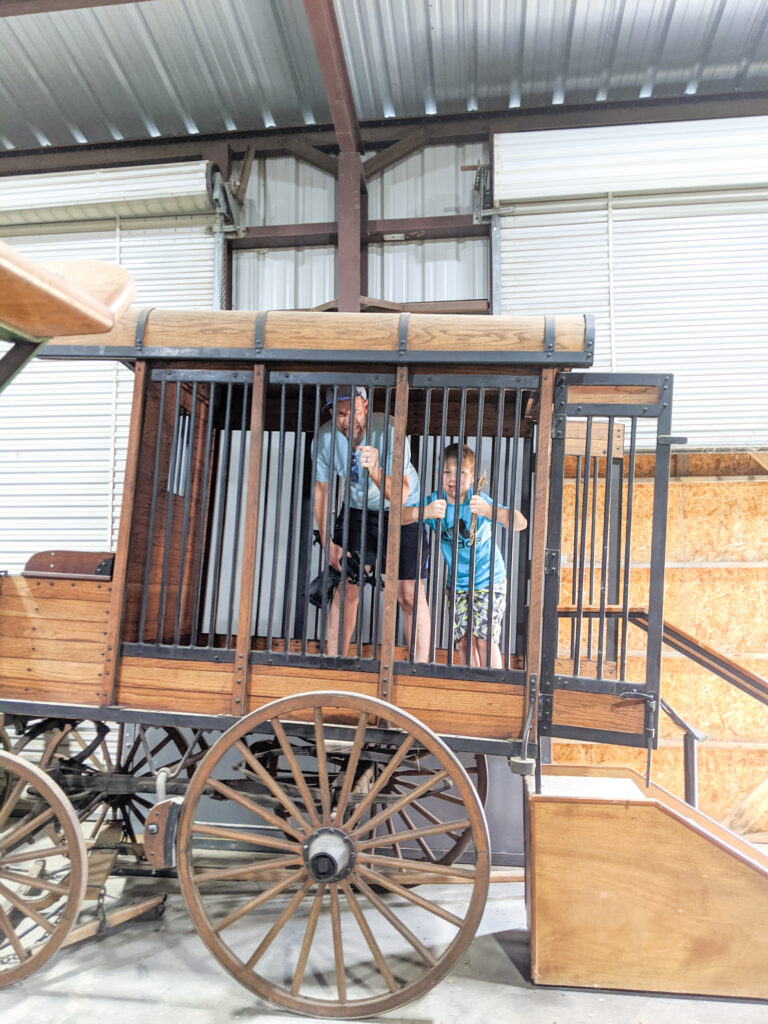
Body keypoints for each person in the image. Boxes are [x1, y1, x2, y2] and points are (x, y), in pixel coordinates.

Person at [313, 385, 430, 659]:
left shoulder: (389, 430)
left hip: (403, 509)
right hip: (359, 510)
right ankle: (335, 665)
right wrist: (327, 540)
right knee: (345, 587)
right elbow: (322, 490)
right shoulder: (325, 438)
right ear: (332, 413)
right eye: (340, 413)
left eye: (353, 411)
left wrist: (375, 470)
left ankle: (420, 673)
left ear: (365, 406)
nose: (347, 420)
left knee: (409, 594)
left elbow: (399, 494)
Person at [406, 442, 526, 668]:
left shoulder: (478, 501)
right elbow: (399, 516)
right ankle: (473, 689)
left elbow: (521, 522)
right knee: (464, 643)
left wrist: (490, 511)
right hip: (458, 585)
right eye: (447, 472)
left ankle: (495, 692)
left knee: (484, 642)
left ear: (472, 478)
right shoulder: (435, 502)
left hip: (489, 580)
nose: (453, 478)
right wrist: (424, 512)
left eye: (461, 472)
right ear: (439, 475)